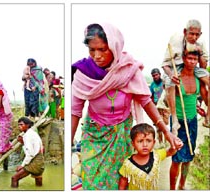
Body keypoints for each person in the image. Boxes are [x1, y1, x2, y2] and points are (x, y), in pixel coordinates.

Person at [71, 23, 180, 189]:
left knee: (121, 178)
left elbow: (145, 101)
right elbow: (75, 112)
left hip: (122, 137)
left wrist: (166, 131)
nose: (97, 56)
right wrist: (69, 144)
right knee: (93, 182)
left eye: (102, 49)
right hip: (95, 138)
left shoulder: (129, 70)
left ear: (114, 47)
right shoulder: (84, 73)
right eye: (92, 50)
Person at [169, 47, 207, 190]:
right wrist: (174, 123)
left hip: (192, 120)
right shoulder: (175, 78)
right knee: (177, 158)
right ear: (184, 59)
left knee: (189, 156)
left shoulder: (198, 78)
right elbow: (170, 100)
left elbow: (193, 98)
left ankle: (182, 185)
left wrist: (198, 108)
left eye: (194, 59)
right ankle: (172, 188)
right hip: (178, 122)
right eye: (189, 58)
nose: (191, 62)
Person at [161, 19, 210, 129]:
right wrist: (170, 75)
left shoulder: (200, 43)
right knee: (170, 83)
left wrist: (200, 52)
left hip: (193, 67)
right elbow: (165, 64)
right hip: (176, 67)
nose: (194, 37)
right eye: (191, 34)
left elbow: (203, 66)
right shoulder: (175, 40)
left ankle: (208, 116)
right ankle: (174, 119)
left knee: (207, 81)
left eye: (197, 35)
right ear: (185, 32)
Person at [118, 123, 183, 190]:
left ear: (154, 142)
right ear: (133, 144)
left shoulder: (156, 155)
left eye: (148, 141)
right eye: (140, 141)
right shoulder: (128, 164)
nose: (145, 145)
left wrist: (176, 145)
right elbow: (123, 182)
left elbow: (170, 152)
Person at [11, 117, 44, 188]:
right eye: (19, 125)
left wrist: (22, 165)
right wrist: (23, 142)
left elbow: (30, 154)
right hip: (40, 161)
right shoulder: (33, 133)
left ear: (28, 125)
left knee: (14, 178)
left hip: (34, 162)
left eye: (21, 125)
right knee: (38, 179)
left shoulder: (28, 135)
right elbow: (36, 148)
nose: (19, 127)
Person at [149, 68, 166, 144]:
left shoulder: (164, 83)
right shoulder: (152, 85)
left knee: (165, 125)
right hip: (157, 107)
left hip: (165, 107)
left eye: (156, 75)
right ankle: (160, 142)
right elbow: (150, 96)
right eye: (153, 76)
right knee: (158, 125)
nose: (155, 77)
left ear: (160, 74)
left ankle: (167, 141)